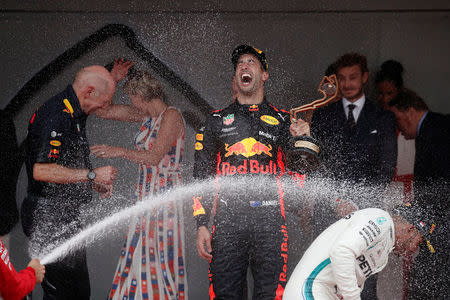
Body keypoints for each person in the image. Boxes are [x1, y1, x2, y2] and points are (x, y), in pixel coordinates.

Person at [192, 45, 311, 299]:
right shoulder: (215, 121)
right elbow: (201, 178)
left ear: (264, 75)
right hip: (226, 225)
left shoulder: (284, 122)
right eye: (240, 64)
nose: (244, 66)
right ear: (236, 76)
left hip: (270, 225)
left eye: (251, 62)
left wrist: (303, 142)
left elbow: (299, 181)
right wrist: (202, 225)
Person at [20, 65, 119, 300]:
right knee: (62, 294)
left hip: (65, 216)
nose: (103, 107)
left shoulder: (76, 112)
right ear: (89, 91)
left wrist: (92, 182)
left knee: (78, 292)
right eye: (104, 101)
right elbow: (41, 170)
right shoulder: (56, 115)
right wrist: (92, 175)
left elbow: (66, 165)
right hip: (48, 216)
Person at [91, 64, 188, 299]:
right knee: (139, 251)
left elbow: (154, 157)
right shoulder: (146, 115)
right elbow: (103, 111)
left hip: (164, 197)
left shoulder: (171, 116)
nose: (131, 102)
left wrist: (118, 151)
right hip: (145, 195)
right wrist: (112, 80)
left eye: (132, 96)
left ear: (141, 95)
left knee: (159, 256)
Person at [310, 52, 397, 299]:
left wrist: (358, 205)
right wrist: (337, 201)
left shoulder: (384, 117)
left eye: (353, 77)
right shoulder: (322, 116)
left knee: (364, 285)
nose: (347, 84)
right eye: (342, 78)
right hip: (328, 213)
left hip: (367, 216)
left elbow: (386, 168)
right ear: (336, 80)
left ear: (364, 77)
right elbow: (316, 165)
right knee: (324, 282)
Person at [283, 207, 429, 300]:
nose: (414, 250)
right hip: (310, 289)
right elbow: (342, 251)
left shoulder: (385, 246)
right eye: (418, 243)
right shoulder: (381, 221)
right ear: (410, 230)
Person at [388, 90, 450, 299]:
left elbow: (442, 182)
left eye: (397, 118)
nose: (397, 127)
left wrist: (417, 216)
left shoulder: (437, 131)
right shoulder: (434, 128)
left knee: (428, 288)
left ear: (411, 111)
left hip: (441, 227)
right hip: (435, 225)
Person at [375, 60, 415, 208]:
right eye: (380, 93)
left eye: (389, 93)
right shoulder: (373, 117)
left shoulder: (410, 119)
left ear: (399, 92)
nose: (384, 99)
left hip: (405, 190)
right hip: (382, 188)